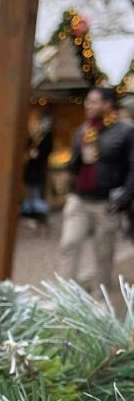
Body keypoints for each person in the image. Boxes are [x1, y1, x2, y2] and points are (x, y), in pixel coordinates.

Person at [59, 86, 134, 291]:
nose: (87, 105)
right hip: (80, 199)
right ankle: (66, 298)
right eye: (87, 101)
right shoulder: (84, 130)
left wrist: (124, 199)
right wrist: (73, 161)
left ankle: (100, 300)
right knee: (69, 244)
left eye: (92, 101)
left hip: (107, 203)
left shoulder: (126, 130)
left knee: (103, 254)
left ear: (107, 105)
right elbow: (74, 165)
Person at [20, 111, 53, 226]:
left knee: (36, 194)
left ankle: (39, 216)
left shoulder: (46, 137)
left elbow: (46, 152)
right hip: (30, 171)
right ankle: (32, 215)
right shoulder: (33, 137)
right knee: (30, 194)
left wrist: (37, 154)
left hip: (39, 171)